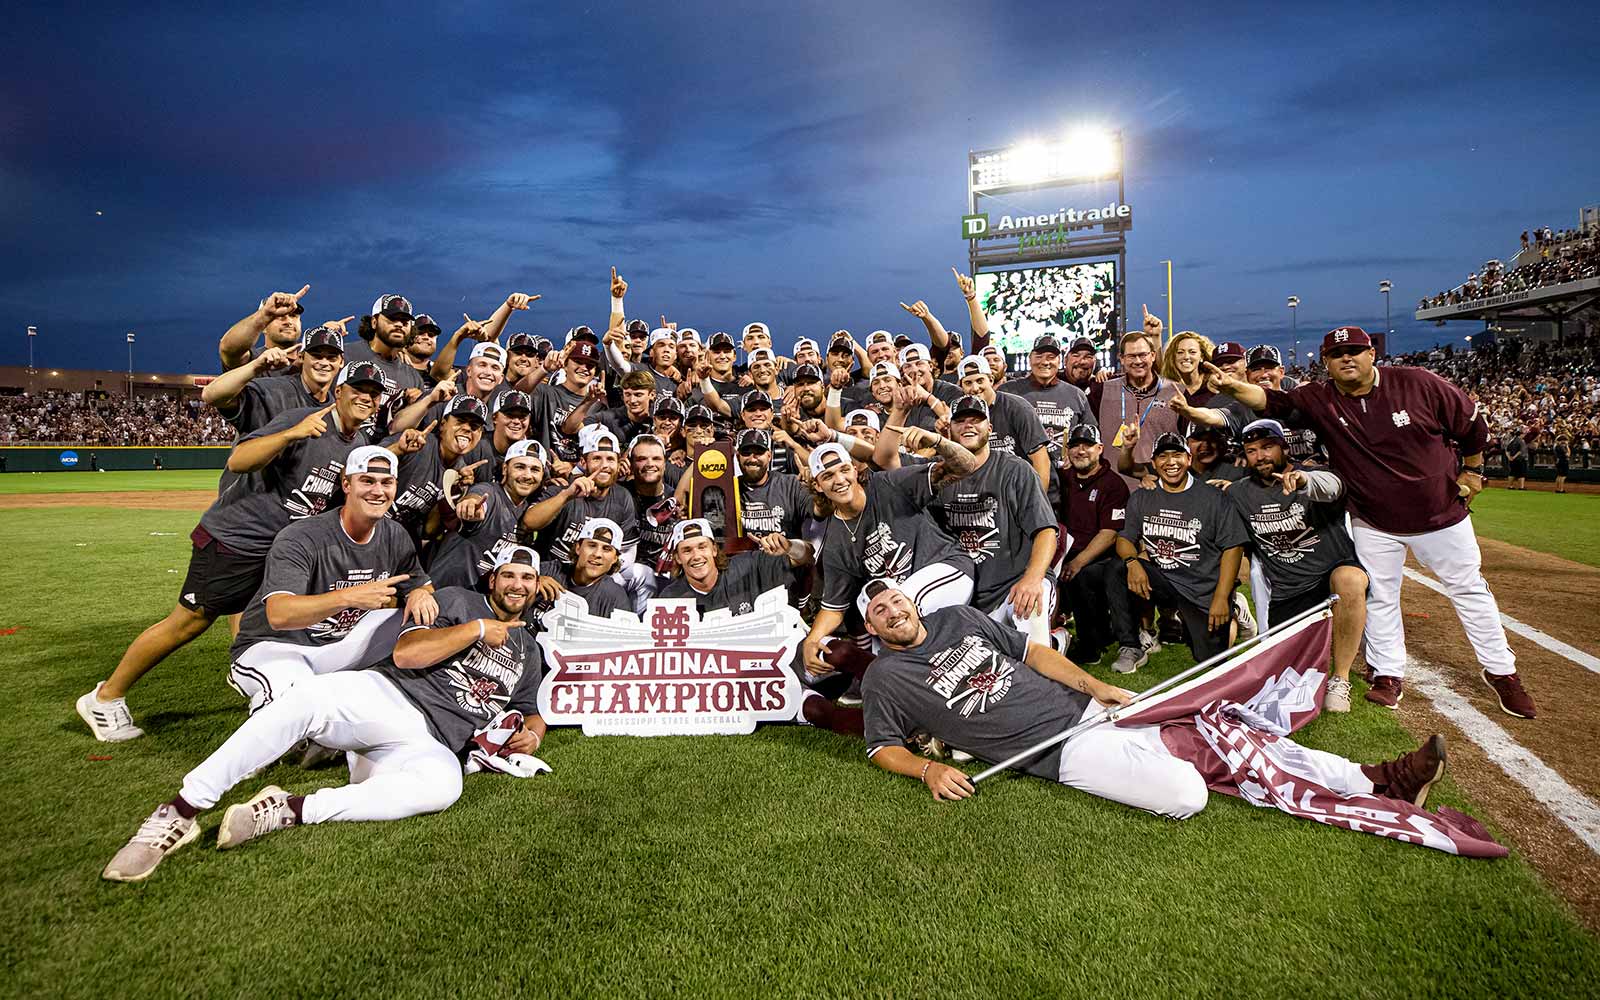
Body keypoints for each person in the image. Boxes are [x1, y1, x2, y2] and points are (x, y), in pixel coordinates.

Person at [101, 546, 547, 883]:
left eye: (527, 577)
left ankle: (290, 809)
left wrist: (534, 734)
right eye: (509, 574)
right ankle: (181, 810)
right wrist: (476, 630)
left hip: (432, 742)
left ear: (535, 585)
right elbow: (409, 654)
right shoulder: (457, 602)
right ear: (493, 579)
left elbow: (531, 710)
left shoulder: (528, 650)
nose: (517, 584)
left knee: (443, 788)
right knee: (304, 700)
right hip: (387, 696)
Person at [858, 581, 1451, 820]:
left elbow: (1033, 654)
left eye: (895, 600)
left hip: (1091, 711)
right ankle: (1360, 784)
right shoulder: (886, 677)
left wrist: (1096, 687)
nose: (893, 611)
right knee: (1188, 794)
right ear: (874, 628)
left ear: (911, 600)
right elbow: (880, 747)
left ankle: (1379, 779)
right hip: (1059, 754)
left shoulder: (958, 618)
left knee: (1225, 731)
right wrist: (929, 769)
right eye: (879, 611)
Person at [1208, 326, 1537, 717]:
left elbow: (1470, 424)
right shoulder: (1321, 398)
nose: (1347, 358)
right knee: (1380, 597)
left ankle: (1501, 671)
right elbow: (1270, 400)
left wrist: (1474, 469)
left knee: (1468, 589)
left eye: (1354, 350)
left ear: (1371, 354)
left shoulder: (1417, 383)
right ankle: (1387, 673)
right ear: (1326, 362)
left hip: (1440, 513)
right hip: (1374, 520)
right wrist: (1232, 387)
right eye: (1337, 354)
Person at [78, 362, 393, 742]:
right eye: (358, 389)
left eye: (374, 393)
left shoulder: (357, 444)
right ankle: (105, 697)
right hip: (237, 540)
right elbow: (239, 460)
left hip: (278, 551)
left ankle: (270, 697)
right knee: (189, 622)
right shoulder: (303, 418)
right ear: (339, 391)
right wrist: (290, 434)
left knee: (275, 628)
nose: (366, 398)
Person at [224, 445, 436, 713]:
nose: (378, 491)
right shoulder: (301, 536)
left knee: (423, 618)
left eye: (386, 483)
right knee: (295, 703)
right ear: (346, 485)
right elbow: (279, 615)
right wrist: (349, 596)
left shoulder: (395, 535)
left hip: (336, 645)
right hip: (275, 646)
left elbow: (422, 585)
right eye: (367, 481)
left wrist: (419, 593)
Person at [1227, 419, 1369, 713]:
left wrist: (1305, 481)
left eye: (1267, 447)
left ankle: (1340, 678)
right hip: (1289, 591)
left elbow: (1332, 487)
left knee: (1350, 579)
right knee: (1282, 677)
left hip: (1329, 578)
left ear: (1284, 447)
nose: (1260, 456)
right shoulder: (1238, 493)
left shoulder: (1315, 474)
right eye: (1252, 450)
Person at [799, 442, 977, 676]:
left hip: (947, 568)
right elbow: (834, 607)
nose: (839, 480)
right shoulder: (835, 541)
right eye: (828, 476)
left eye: (844, 470)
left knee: (898, 610)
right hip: (901, 597)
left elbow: (965, 466)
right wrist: (812, 640)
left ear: (855, 470)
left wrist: (937, 441)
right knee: (878, 622)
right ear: (818, 485)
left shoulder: (888, 484)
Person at [1113, 432, 1248, 668]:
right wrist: (1132, 563)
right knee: (1116, 569)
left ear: (1188, 459)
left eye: (1177, 455)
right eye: (1163, 456)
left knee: (1211, 660)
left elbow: (1233, 547)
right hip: (1164, 580)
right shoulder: (1143, 495)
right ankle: (1132, 645)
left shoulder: (1213, 498)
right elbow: (1124, 538)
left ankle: (1235, 609)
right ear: (1154, 463)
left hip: (1202, 588)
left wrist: (1221, 597)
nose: (1171, 462)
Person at [428, 439, 547, 591]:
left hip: (479, 601)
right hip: (442, 594)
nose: (527, 475)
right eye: (520, 467)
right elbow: (476, 497)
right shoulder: (489, 492)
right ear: (505, 469)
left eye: (535, 469)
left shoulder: (529, 513)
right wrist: (470, 504)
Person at [1057, 424, 1131, 665]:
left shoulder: (1114, 484)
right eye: (1075, 446)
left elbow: (1109, 534)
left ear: (1100, 448)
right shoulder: (1062, 478)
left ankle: (1090, 647)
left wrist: (1077, 562)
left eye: (1087, 445)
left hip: (1102, 558)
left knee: (1080, 576)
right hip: (1064, 554)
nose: (1081, 451)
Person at [203, 324, 344, 433]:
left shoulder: (337, 408)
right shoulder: (272, 391)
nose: (324, 362)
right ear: (301, 357)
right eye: (316, 356)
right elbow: (211, 395)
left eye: (332, 357)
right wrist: (256, 367)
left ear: (341, 362)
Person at [660, 517, 812, 616]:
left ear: (714, 549)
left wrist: (789, 546)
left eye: (702, 547)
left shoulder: (750, 566)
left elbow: (807, 555)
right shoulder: (670, 599)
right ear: (677, 558)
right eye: (687, 550)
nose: (696, 556)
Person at [1095, 330, 1181, 488]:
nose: (1138, 361)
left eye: (1143, 355)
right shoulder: (1102, 390)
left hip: (1159, 485)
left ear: (1153, 356)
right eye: (1131, 356)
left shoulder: (1176, 392)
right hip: (1111, 488)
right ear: (1121, 359)